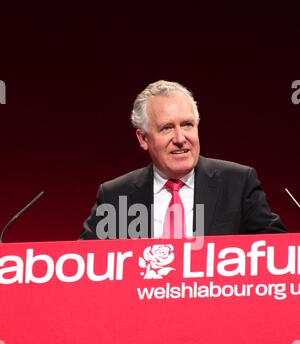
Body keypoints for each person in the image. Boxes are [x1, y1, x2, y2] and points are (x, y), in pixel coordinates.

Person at [79, 80, 287, 240]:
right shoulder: (115, 196)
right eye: (167, 128)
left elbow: (280, 254)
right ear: (143, 138)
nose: (180, 139)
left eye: (187, 124)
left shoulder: (238, 183)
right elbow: (84, 264)